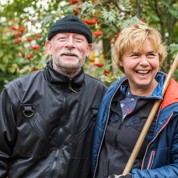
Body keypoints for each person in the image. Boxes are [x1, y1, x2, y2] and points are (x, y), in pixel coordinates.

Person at [0, 14, 106, 178]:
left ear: (88, 50)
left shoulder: (101, 94)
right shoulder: (17, 91)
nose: (70, 45)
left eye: (78, 40)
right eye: (62, 38)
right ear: (49, 47)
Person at [91, 22, 178, 178]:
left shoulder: (172, 106)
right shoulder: (112, 95)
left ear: (159, 59)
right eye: (135, 55)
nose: (144, 62)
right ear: (121, 61)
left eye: (151, 55)